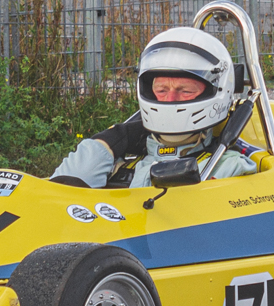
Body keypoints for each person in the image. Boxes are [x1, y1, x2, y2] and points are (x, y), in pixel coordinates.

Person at [51, 27, 259, 188]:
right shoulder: (117, 161)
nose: (170, 99)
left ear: (216, 90)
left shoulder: (229, 168)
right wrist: (114, 139)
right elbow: (61, 194)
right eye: (161, 89)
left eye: (185, 90)